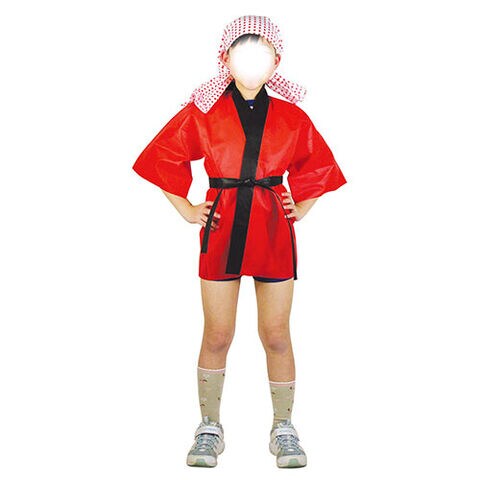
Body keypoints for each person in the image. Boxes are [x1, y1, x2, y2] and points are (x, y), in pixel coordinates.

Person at [132, 15, 347, 469]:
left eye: (262, 53)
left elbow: (318, 164)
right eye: (242, 52)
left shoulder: (291, 116)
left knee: (276, 334)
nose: (252, 62)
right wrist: (187, 209)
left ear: (276, 61)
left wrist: (300, 207)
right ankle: (209, 426)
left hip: (272, 227)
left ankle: (283, 427)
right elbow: (163, 154)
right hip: (223, 226)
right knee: (217, 333)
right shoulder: (204, 111)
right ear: (225, 58)